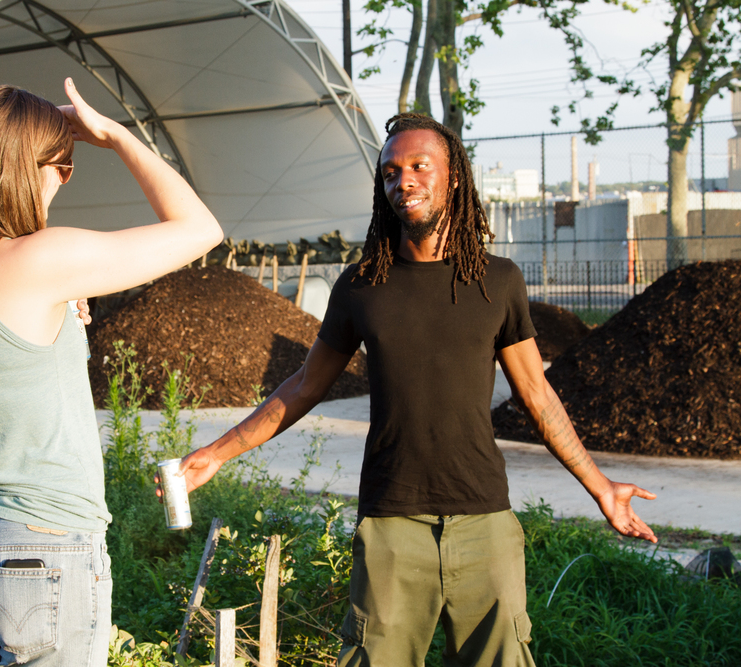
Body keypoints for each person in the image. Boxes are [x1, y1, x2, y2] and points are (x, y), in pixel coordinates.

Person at [171, 113, 656, 667]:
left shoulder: (498, 281)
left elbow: (537, 395)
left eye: (420, 166)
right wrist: (215, 453)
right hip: (392, 525)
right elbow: (304, 386)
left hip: (485, 523)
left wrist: (600, 486)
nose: (403, 181)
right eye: (390, 172)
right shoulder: (360, 285)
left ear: (454, 179)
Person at [0, 79, 222, 667]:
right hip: (42, 552)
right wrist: (116, 136)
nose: (66, 179)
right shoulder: (39, 258)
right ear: (24, 167)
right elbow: (200, 230)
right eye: (64, 165)